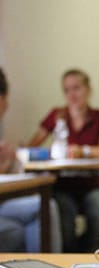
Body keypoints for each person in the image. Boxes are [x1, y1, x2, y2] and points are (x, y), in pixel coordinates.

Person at [28, 69, 99, 252]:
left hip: (91, 185)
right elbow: (31, 148)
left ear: (88, 90)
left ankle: (85, 255)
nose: (71, 94)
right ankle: (69, 262)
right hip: (62, 185)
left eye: (76, 88)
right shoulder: (57, 115)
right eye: (66, 90)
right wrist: (51, 153)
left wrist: (86, 151)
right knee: (65, 218)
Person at [0, 67, 62, 252]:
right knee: (45, 207)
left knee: (45, 210)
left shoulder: (98, 116)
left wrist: (7, 163)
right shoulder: (58, 114)